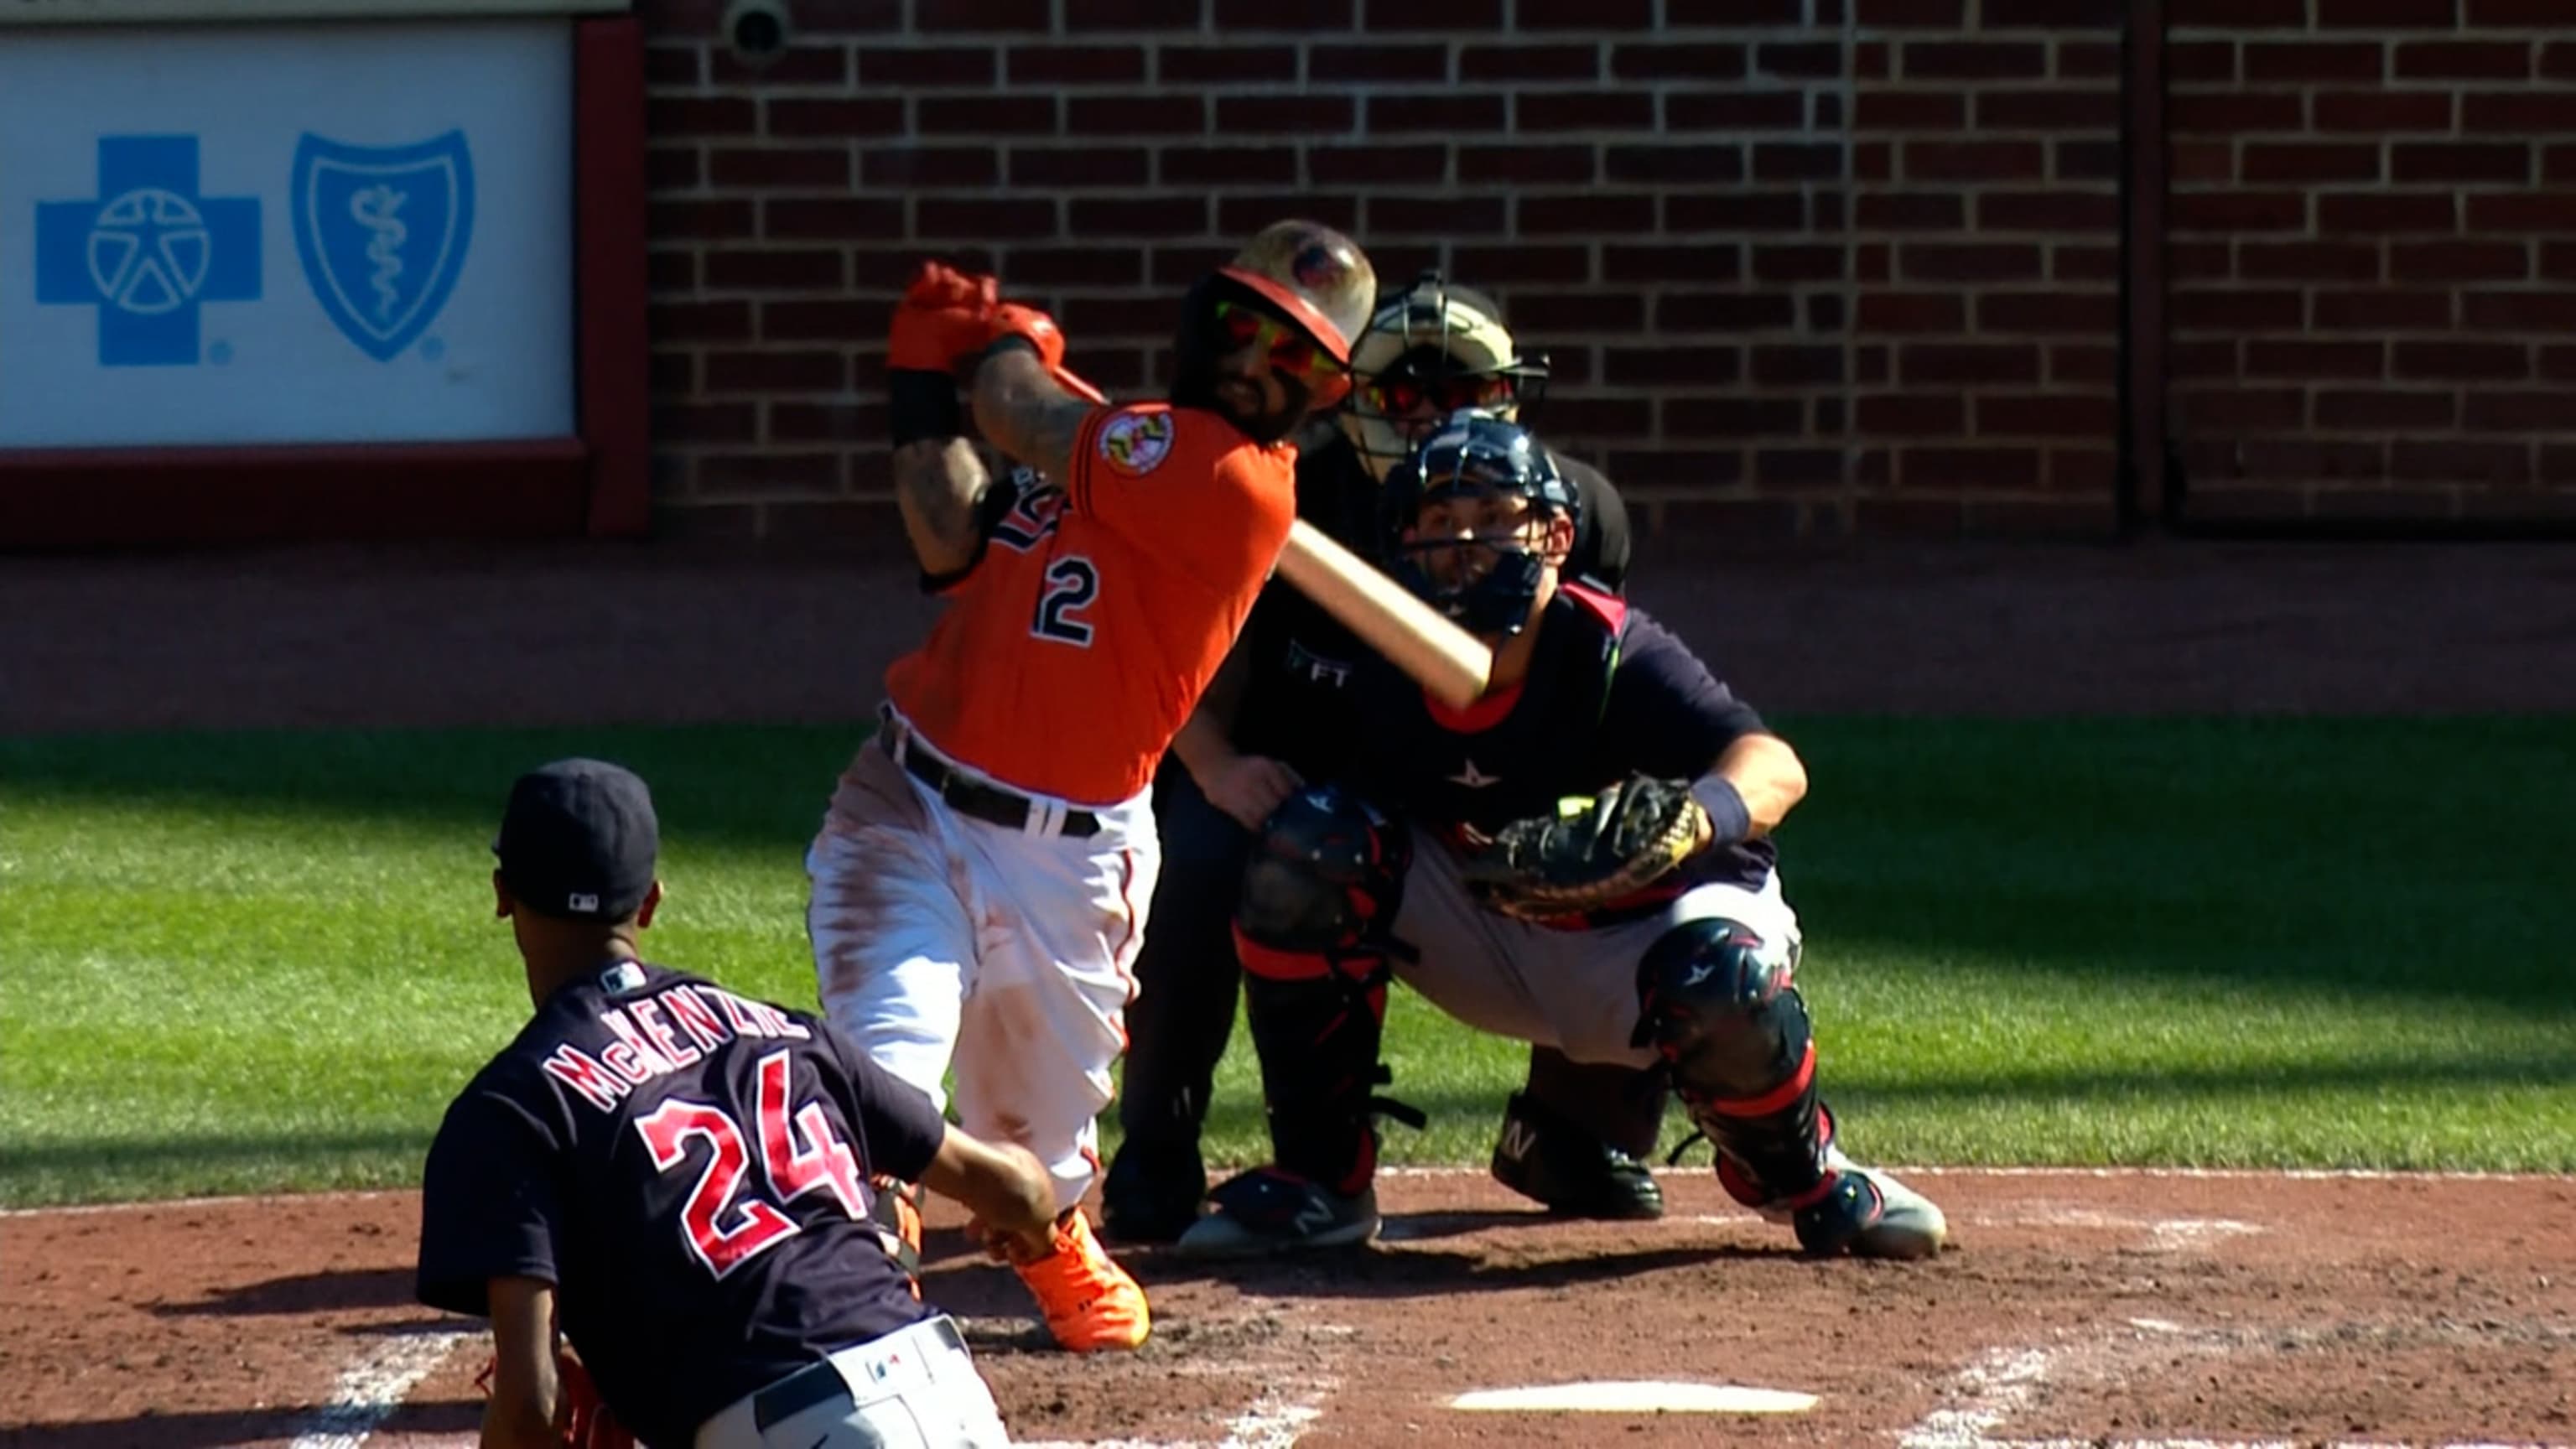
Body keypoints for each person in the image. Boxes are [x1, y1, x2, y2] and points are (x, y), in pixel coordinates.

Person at [802, 220, 1387, 1353]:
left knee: (1036, 1139)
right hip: (907, 804)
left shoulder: (1231, 482)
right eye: (1244, 331)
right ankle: (854, 1303)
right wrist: (922, 381)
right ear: (1202, 318)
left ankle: (1049, 1226)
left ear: (1323, 392)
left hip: (1070, 856)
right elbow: (950, 538)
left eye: (1298, 362)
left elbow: (1020, 412)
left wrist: (999, 344)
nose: (1258, 367)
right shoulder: (1137, 441)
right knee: (886, 1082)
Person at [1169, 414, 1950, 1262]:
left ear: (1556, 535)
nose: (1461, 541)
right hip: (1487, 921)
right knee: (1307, 849)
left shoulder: (1609, 650)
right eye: (1435, 522)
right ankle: (1323, 1181)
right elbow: (1184, 666)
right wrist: (1214, 767)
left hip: (1646, 937)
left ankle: (1804, 1174)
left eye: (1490, 515)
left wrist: (1694, 817)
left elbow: (1775, 766)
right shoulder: (1382, 670)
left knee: (1723, 978)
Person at [1101, 273, 1667, 1246]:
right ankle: (1168, 1150)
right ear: (1351, 399)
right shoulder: (1280, 489)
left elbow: (1590, 692)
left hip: (1484, 769)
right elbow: (1170, 654)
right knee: (1202, 854)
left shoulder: (1578, 508)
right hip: (1294, 767)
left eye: (1466, 394)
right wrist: (1219, 766)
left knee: (1627, 836)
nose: (1438, 420)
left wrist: (1580, 820)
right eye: (1406, 395)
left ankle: (1576, 1131)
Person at [418, 758, 1059, 1449]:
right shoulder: (785, 1032)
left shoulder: (512, 1106)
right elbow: (1018, 1190)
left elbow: (532, 1405)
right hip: (950, 1391)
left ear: (502, 894)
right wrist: (1036, 1229)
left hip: (786, 1429)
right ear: (651, 903)